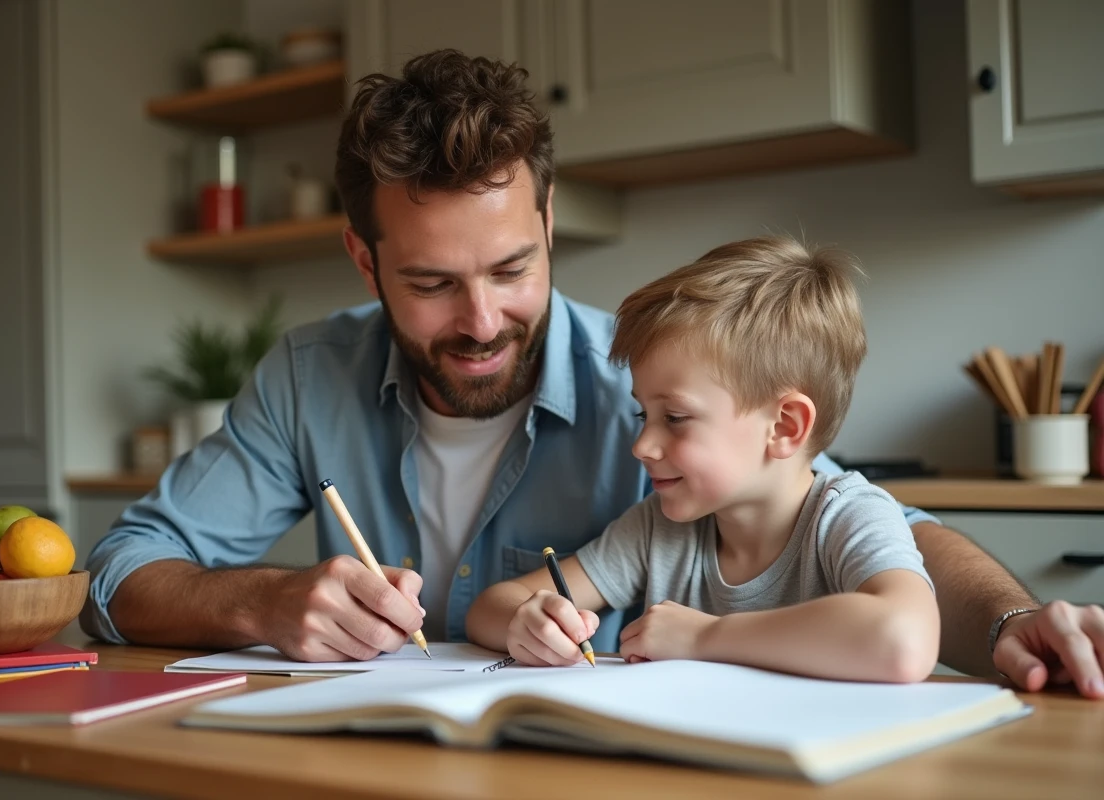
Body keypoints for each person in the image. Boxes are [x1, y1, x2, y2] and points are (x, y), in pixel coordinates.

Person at [82, 49, 1104, 698]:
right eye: (433, 281)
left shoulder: (651, 375)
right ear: (365, 259)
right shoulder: (309, 378)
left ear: (548, 222)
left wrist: (1014, 621)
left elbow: (880, 534)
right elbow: (124, 574)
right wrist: (262, 602)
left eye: (512, 269)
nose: (482, 319)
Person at [466, 237, 941, 682]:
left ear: (784, 427)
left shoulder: (847, 517)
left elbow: (904, 639)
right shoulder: (659, 528)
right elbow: (490, 608)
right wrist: (528, 621)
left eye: (674, 417)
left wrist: (704, 636)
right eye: (642, 413)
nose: (642, 446)